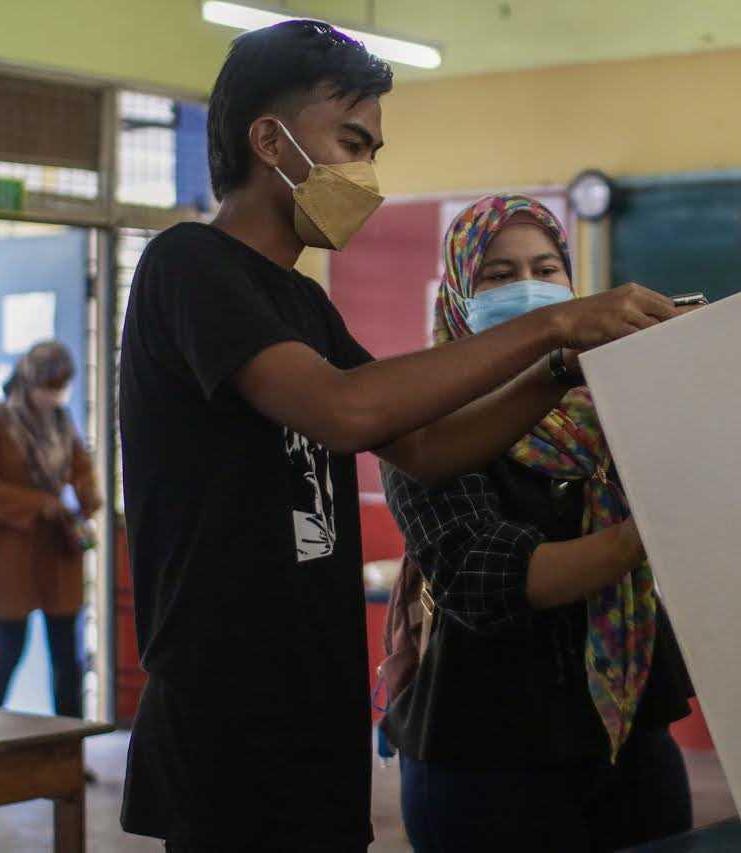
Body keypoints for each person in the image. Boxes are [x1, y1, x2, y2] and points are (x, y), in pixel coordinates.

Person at [118, 21, 683, 852]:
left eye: (374, 151)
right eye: (351, 143)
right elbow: (348, 411)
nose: (367, 176)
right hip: (227, 706)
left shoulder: (303, 304)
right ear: (270, 140)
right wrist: (553, 323)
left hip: (316, 701)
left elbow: (424, 444)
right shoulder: (188, 266)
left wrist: (561, 370)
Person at [380, 194, 695, 853]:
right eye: (498, 275)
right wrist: (647, 532)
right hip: (485, 751)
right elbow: (486, 575)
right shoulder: (424, 418)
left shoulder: (616, 394)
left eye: (546, 268)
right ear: (461, 291)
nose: (530, 288)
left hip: (629, 728)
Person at [0, 340, 100, 720]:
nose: (54, 395)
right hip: (8, 553)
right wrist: (39, 504)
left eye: (61, 386)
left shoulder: (61, 421)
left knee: (67, 661)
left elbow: (81, 469)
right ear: (29, 381)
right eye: (49, 386)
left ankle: (66, 754)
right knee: (7, 653)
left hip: (56, 553)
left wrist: (86, 496)